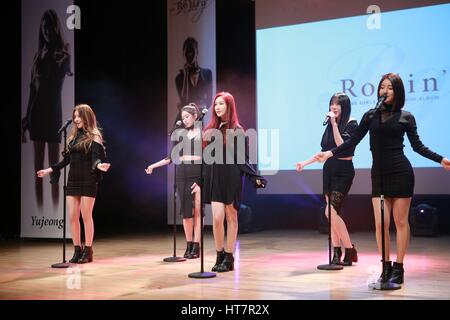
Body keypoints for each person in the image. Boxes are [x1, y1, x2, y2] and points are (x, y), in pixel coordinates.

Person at [315, 73, 450, 284]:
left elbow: (418, 146)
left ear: (397, 92)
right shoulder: (370, 116)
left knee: (401, 221)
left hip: (401, 172)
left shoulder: (406, 117)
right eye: (382, 87)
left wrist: (440, 159)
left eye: (389, 87)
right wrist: (329, 153)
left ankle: (399, 267)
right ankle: (385, 267)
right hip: (378, 175)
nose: (384, 91)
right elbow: (353, 141)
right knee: (380, 224)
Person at [200, 92, 266, 272]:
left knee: (231, 217)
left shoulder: (237, 130)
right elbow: (205, 159)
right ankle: (219, 253)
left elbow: (243, 159)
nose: (217, 107)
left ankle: (229, 257)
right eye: (216, 104)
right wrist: (200, 180)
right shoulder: (209, 130)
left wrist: (255, 177)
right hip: (214, 178)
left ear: (229, 105)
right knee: (217, 218)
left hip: (231, 178)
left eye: (221, 103)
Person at [37, 104, 110, 263]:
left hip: (88, 179)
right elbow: (67, 160)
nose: (76, 119)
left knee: (86, 216)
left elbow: (96, 158)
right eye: (75, 116)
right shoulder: (73, 137)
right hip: (73, 180)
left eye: (79, 116)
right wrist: (49, 170)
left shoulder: (94, 136)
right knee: (72, 217)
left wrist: (99, 166)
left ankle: (88, 250)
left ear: (87, 117)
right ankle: (77, 249)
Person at [296, 93, 358, 266]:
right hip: (329, 170)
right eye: (332, 103)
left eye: (337, 104)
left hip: (344, 171)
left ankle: (350, 249)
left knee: (329, 211)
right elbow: (323, 152)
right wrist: (304, 163)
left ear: (344, 106)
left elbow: (341, 145)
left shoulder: (352, 123)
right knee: (333, 214)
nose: (334, 106)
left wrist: (334, 124)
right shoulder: (330, 126)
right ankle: (337, 252)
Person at [22, 9, 73, 208]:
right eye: (44, 28)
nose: (47, 31)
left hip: (53, 115)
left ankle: (54, 207)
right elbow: (32, 91)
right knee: (37, 169)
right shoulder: (37, 56)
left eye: (50, 27)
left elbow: (60, 75)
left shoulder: (63, 56)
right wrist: (26, 119)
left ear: (56, 28)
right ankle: (41, 209)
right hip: (37, 115)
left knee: (54, 168)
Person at [146, 103, 204, 259]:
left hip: (197, 173)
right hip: (182, 174)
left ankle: (197, 246)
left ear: (195, 116)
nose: (184, 120)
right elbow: (171, 157)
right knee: (186, 212)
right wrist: (153, 166)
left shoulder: (203, 133)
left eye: (187, 116)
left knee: (197, 211)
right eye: (183, 117)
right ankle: (189, 244)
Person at [175, 37, 212, 123]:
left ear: (197, 52)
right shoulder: (179, 78)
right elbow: (184, 99)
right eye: (187, 51)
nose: (190, 54)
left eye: (192, 50)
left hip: (199, 117)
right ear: (183, 54)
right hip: (185, 118)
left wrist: (200, 113)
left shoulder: (207, 73)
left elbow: (209, 100)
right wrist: (186, 75)